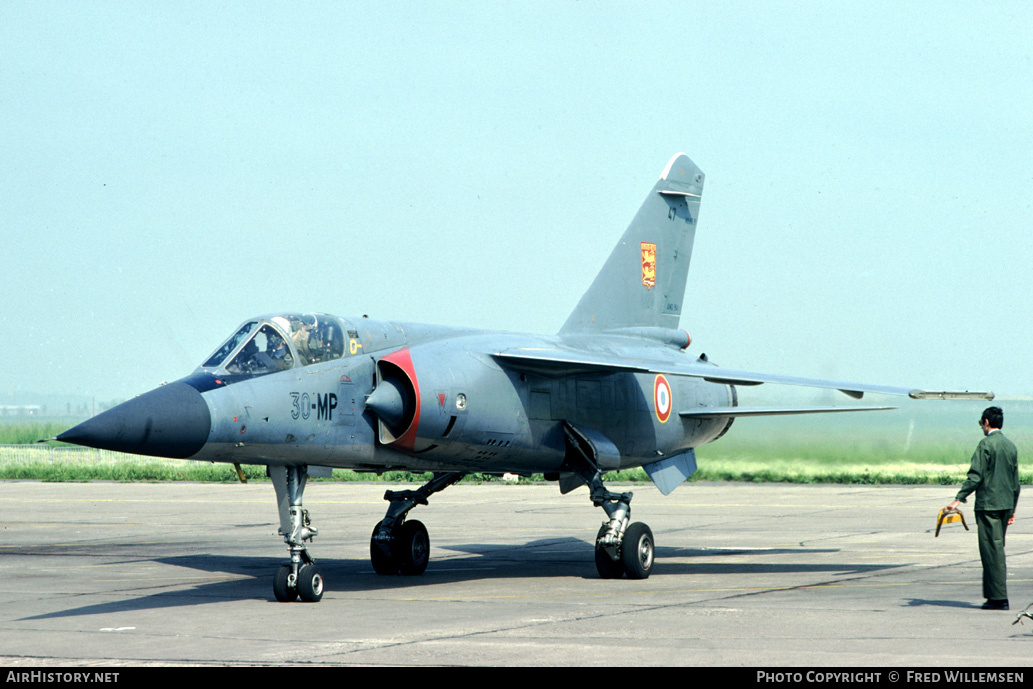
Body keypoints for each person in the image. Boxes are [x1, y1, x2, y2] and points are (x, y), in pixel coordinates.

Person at [943, 406, 1020, 610]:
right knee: (994, 549)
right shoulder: (1010, 446)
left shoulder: (985, 445)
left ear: (986, 422)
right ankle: (992, 595)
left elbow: (976, 476)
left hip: (989, 506)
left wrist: (958, 498)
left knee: (992, 552)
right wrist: (1012, 509)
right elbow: (1015, 483)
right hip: (1005, 505)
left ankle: (998, 598)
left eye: (981, 423)